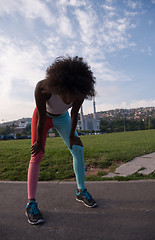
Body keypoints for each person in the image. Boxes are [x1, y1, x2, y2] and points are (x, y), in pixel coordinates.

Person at [25, 56, 97, 225]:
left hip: (63, 118)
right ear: (60, 86)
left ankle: (81, 190)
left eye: (74, 97)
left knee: (78, 150)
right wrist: (39, 143)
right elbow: (42, 117)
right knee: (37, 155)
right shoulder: (43, 88)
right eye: (67, 95)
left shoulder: (79, 91)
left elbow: (73, 114)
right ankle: (31, 203)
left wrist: (72, 136)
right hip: (43, 117)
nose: (70, 100)